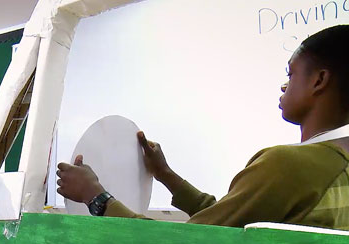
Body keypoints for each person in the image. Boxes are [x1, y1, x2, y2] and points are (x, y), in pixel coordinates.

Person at [57, 25, 349, 230]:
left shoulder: (289, 166)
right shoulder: (335, 167)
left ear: (319, 81)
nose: (284, 85)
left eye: (291, 73)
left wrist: (95, 196)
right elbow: (235, 218)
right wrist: (167, 176)